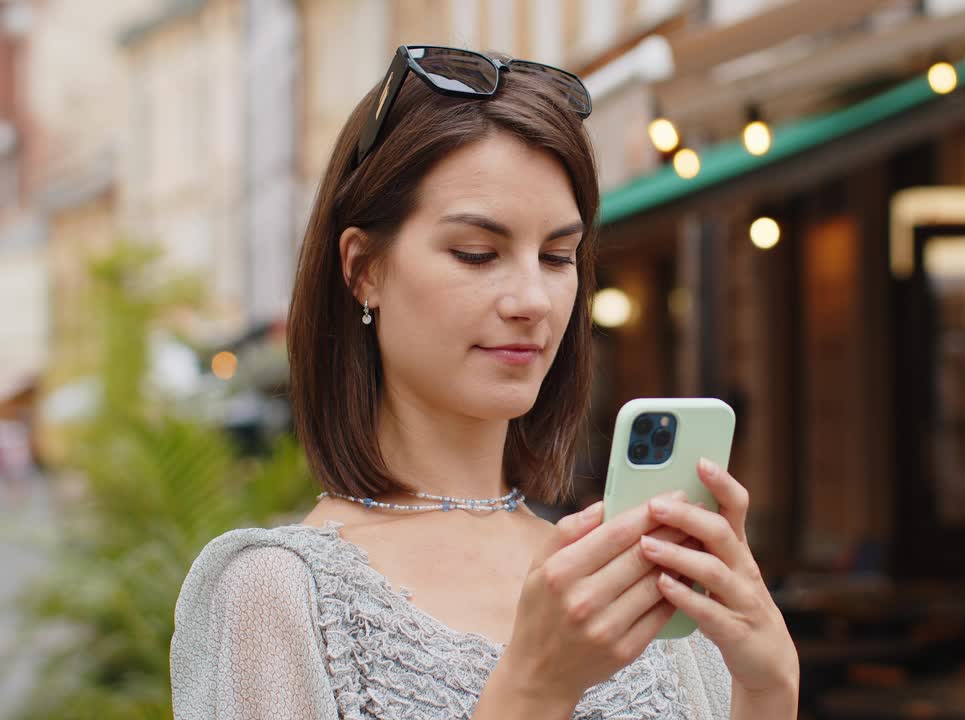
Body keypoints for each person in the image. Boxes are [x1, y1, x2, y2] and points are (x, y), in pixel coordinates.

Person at [169, 46, 798, 720]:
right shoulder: (276, 594)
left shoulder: (621, 573)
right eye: (478, 253)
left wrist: (768, 690)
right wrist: (533, 689)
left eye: (558, 256)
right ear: (363, 269)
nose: (533, 298)